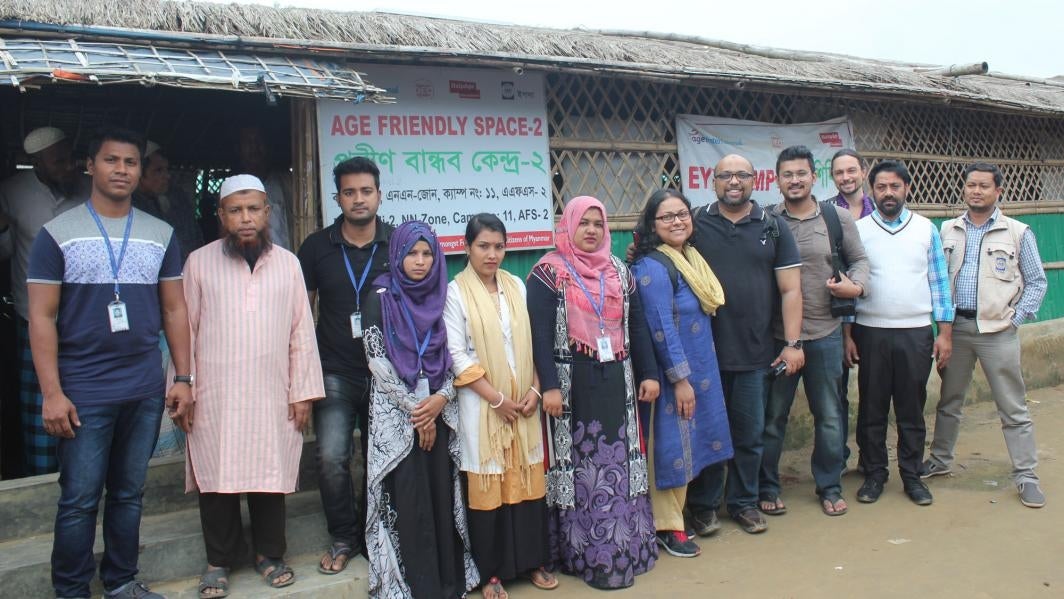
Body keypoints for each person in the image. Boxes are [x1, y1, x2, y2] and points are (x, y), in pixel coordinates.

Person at [27, 127, 191, 599]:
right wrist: (52, 393)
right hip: (83, 391)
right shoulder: (57, 234)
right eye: (111, 161)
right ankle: (72, 591)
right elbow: (42, 316)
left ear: (140, 170)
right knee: (79, 500)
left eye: (131, 162)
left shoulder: (160, 234)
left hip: (142, 388)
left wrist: (182, 377)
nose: (122, 170)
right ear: (90, 166)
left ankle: (121, 582)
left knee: (128, 494)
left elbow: (175, 309)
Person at [178, 174, 324, 597]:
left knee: (269, 469)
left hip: (271, 391)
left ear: (267, 213)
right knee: (217, 473)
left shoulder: (288, 263)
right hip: (215, 393)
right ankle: (219, 559)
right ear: (221, 215)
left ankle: (269, 555)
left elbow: (301, 331)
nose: (246, 219)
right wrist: (183, 387)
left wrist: (303, 392)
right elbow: (184, 330)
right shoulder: (199, 262)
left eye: (254, 209)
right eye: (236, 211)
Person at [528, 196, 660, 589]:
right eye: (582, 223)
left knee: (619, 464)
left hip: (617, 381)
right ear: (567, 226)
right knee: (580, 471)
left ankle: (626, 547)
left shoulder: (620, 271)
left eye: (597, 224)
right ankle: (585, 553)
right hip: (571, 389)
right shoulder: (548, 273)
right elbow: (537, 337)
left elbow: (637, 327)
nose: (590, 230)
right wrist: (549, 386)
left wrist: (649, 374)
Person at [683, 154, 804, 536]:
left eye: (741, 175)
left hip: (756, 353)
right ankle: (703, 507)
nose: (733, 181)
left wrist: (792, 343)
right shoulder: (696, 224)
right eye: (725, 175)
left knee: (750, 434)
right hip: (705, 354)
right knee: (707, 433)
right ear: (712, 181)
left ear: (755, 180)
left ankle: (743, 503)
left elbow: (791, 290)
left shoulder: (774, 227)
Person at [363, 221, 479, 598]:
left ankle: (447, 584)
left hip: (438, 410)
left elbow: (454, 357)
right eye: (412, 253)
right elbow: (377, 362)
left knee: (441, 498)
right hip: (398, 419)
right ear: (397, 254)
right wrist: (419, 411)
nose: (420, 261)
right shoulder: (378, 297)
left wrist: (440, 399)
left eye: (427, 253)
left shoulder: (442, 296)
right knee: (409, 502)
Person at [444, 214, 557, 598]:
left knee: (527, 481)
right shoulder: (455, 292)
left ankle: (532, 563)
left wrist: (536, 391)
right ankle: (491, 573)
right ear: (467, 247)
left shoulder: (516, 286)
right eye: (483, 246)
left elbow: (533, 341)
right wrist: (496, 399)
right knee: (488, 486)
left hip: (525, 406)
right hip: (483, 409)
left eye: (499, 246)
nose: (492, 254)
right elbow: (456, 355)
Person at [924, 163, 1048, 508]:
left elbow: (1037, 281)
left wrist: (1016, 319)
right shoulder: (947, 229)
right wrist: (941, 327)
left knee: (1013, 406)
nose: (976, 191)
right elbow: (935, 277)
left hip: (998, 331)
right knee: (949, 400)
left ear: (998, 192)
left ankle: (1026, 475)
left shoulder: (1018, 231)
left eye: (983, 186)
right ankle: (940, 460)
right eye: (970, 185)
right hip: (956, 330)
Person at [761, 146, 869, 518]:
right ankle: (768, 485)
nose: (795, 180)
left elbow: (860, 260)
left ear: (813, 177)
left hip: (826, 333)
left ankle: (829, 485)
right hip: (777, 337)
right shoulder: (766, 221)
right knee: (773, 417)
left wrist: (855, 286)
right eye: (787, 175)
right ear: (777, 180)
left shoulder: (835, 218)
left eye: (801, 174)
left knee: (830, 414)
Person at [297, 156, 393, 574]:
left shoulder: (398, 243)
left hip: (386, 373)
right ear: (338, 197)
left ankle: (378, 533)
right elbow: (301, 314)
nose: (358, 199)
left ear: (379, 195)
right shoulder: (316, 247)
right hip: (333, 370)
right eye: (350, 192)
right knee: (331, 457)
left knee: (381, 457)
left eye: (366, 191)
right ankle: (344, 537)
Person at [630, 189, 733, 557]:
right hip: (673, 375)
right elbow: (660, 328)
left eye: (682, 214)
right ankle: (667, 527)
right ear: (652, 226)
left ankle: (677, 519)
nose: (677, 221)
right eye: (667, 217)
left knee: (691, 444)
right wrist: (680, 380)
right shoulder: (653, 268)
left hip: (699, 370)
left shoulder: (690, 258)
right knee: (670, 448)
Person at [851, 160, 953, 506]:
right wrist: (849, 335)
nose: (888, 193)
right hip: (870, 332)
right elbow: (852, 284)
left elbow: (939, 285)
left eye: (895, 186)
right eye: (881, 187)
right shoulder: (859, 230)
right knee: (872, 407)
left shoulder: (925, 229)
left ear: (906, 189)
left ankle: (912, 475)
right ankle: (875, 473)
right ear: (872, 190)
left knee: (911, 408)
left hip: (916, 333)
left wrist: (945, 333)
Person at [1, 126, 82, 475]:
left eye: (69, 158)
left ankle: (82, 476)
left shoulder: (87, 190)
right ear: (37, 163)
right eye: (58, 161)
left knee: (83, 403)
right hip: (32, 318)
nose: (68, 167)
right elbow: (4, 253)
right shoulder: (11, 192)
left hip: (81, 317)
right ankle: (43, 481)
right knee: (42, 407)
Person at [828, 148, 874, 471]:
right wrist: (846, 332)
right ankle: (839, 457)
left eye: (851, 171)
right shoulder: (827, 214)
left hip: (876, 315)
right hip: (838, 317)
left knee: (874, 389)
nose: (846, 177)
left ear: (863, 171)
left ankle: (871, 459)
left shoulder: (883, 210)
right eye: (839, 173)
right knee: (837, 392)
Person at [133, 141, 204, 264]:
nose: (167, 176)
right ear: (139, 173)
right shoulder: (128, 206)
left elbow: (195, 236)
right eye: (158, 170)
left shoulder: (178, 199)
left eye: (166, 169)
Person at [236, 125, 292, 250]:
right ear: (240, 149)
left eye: (258, 141)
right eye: (248, 142)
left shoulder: (286, 182)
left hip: (284, 263)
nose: (253, 147)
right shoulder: (233, 190)